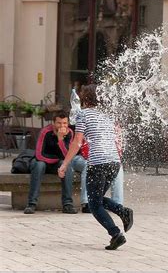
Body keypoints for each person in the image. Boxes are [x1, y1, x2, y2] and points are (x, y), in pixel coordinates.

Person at [58, 84, 133, 250]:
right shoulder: (108, 114)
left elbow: (77, 142)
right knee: (97, 198)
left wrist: (65, 164)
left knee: (94, 204)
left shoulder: (83, 114)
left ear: (85, 98)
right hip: (114, 162)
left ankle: (115, 234)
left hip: (98, 163)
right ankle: (123, 212)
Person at [23, 111, 86, 214]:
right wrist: (57, 160)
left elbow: (67, 156)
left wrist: (60, 139)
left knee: (66, 165)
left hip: (58, 165)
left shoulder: (69, 133)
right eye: (59, 123)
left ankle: (67, 204)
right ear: (53, 123)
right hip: (42, 162)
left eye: (65, 123)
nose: (62, 126)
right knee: (39, 165)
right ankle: (31, 204)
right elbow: (39, 155)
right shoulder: (45, 132)